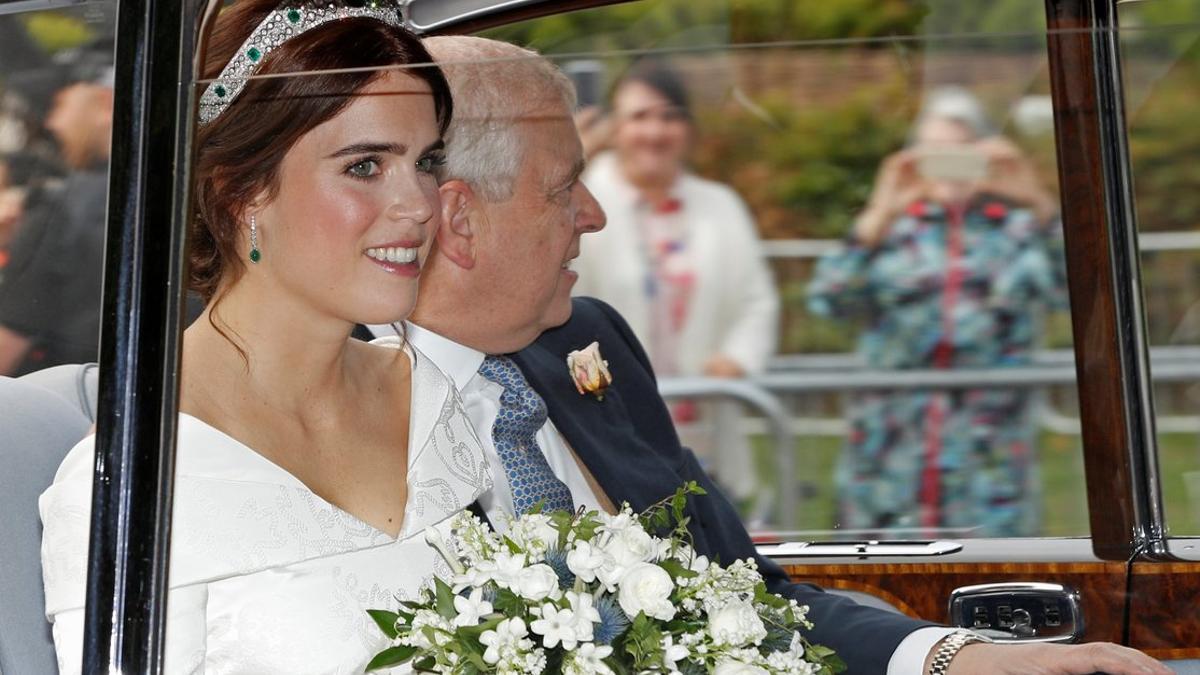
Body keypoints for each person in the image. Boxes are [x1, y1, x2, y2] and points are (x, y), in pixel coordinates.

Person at [399, 36, 1167, 675]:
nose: (593, 214)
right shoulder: (331, 407)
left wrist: (965, 657)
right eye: (567, 186)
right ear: (461, 218)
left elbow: (748, 597)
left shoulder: (589, 344)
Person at [39, 2, 489, 672]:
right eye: (366, 165)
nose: (421, 204)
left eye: (426, 160)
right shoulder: (136, 478)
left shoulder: (424, 394)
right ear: (241, 192)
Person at [807, 87, 1066, 539]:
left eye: (961, 151)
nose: (948, 163)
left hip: (988, 463)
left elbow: (1087, 298)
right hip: (889, 458)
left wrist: (1040, 203)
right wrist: (878, 211)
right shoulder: (893, 230)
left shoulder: (1019, 232)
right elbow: (828, 299)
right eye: (934, 152)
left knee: (995, 590)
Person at [571, 60, 780, 504]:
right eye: (639, 117)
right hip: (611, 424)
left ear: (687, 127)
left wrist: (734, 360)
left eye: (669, 116)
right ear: (615, 126)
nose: (655, 131)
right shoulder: (583, 199)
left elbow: (756, 301)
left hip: (703, 425)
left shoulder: (720, 205)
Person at [0, 50, 113, 376]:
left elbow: (5, 351)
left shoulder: (62, 208)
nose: (52, 122)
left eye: (60, 105)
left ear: (105, 105)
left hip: (65, 412)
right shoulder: (180, 195)